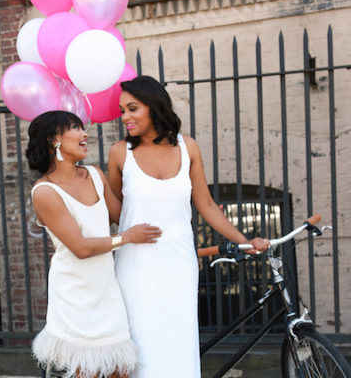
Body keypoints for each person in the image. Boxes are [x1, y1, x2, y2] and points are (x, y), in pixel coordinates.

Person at [107, 76, 270, 377]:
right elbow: (115, 211)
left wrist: (245, 240)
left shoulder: (188, 147)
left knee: (177, 343)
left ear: (154, 107)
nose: (125, 117)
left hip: (178, 264)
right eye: (122, 111)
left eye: (132, 109)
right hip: (134, 266)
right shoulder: (119, 153)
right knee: (139, 343)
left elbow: (206, 205)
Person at [26, 110, 162, 378]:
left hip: (106, 290)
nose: (84, 133)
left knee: (120, 369)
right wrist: (127, 238)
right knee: (84, 371)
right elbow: (81, 248)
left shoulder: (94, 174)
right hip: (74, 293)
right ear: (54, 139)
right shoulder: (44, 191)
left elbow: (120, 216)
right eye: (75, 128)